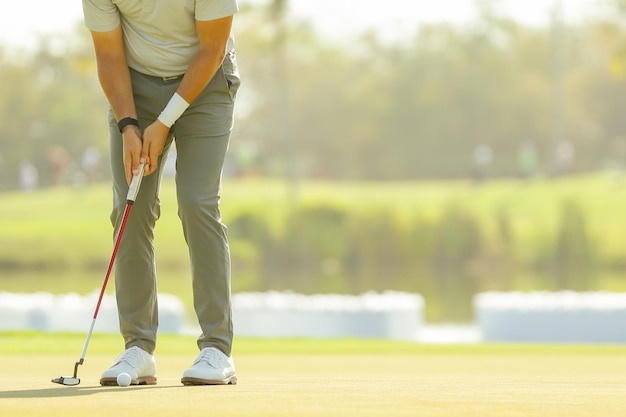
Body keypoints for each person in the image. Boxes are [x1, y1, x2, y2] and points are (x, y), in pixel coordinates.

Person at [81, 0, 240, 386]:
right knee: (129, 210)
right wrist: (128, 124)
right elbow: (108, 52)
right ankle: (138, 348)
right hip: (135, 88)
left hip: (206, 82)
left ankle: (216, 348)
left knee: (197, 202)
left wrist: (166, 120)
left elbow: (212, 47)